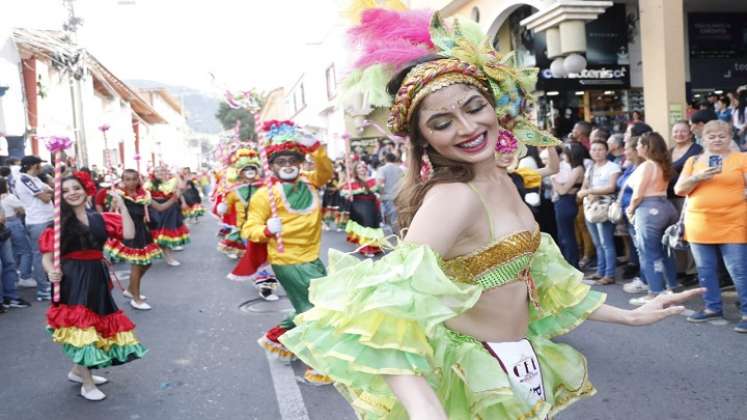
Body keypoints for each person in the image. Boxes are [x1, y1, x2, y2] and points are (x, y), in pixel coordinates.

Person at [278, 10, 701, 419]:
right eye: (442, 122)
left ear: (495, 106)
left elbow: (546, 279)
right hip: (469, 377)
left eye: (473, 107)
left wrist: (630, 315)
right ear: (424, 140)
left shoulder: (502, 179)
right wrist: (426, 410)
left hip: (517, 361)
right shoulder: (453, 197)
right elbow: (381, 308)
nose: (466, 127)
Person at [241, 119, 333, 384]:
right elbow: (249, 229)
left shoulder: (311, 183)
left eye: (293, 160)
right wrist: (266, 230)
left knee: (312, 306)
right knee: (316, 310)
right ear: (272, 166)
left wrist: (316, 147)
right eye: (281, 162)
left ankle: (277, 338)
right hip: (288, 260)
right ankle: (319, 364)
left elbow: (326, 170)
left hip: (312, 257)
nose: (288, 165)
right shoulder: (264, 195)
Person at [42, 174, 146, 401]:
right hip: (72, 277)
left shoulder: (99, 218)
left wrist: (122, 205)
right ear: (61, 195)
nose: (72, 192)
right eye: (67, 190)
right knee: (82, 329)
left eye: (76, 187)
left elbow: (129, 234)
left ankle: (78, 371)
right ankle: (87, 384)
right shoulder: (58, 224)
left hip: (96, 276)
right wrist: (51, 271)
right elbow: (47, 257)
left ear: (85, 189)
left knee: (94, 326)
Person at [675, 120, 747, 332]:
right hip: (699, 222)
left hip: (733, 220)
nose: (717, 139)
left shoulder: (741, 158)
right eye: (712, 136)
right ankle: (712, 307)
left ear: (730, 137)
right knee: (705, 270)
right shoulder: (694, 160)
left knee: (739, 270)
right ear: (703, 139)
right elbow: (679, 189)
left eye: (722, 136)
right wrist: (698, 177)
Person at [625, 132, 679, 305]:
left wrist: (631, 209)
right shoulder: (662, 164)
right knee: (665, 251)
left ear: (647, 147)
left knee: (648, 252)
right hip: (666, 206)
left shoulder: (648, 165)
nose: (637, 147)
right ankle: (671, 287)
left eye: (640, 144)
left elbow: (638, 192)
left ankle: (655, 292)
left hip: (649, 208)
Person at [223, 149, 279, 301]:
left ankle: (263, 282)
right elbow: (226, 208)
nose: (249, 171)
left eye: (252, 168)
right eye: (246, 169)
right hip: (247, 230)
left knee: (268, 257)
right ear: (240, 172)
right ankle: (265, 287)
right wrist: (222, 207)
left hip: (266, 227)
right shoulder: (234, 191)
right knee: (260, 258)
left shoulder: (265, 187)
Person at [103, 169, 163, 311]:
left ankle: (130, 290)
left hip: (143, 233)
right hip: (130, 234)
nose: (131, 182)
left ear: (138, 179)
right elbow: (112, 213)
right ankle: (136, 299)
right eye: (127, 179)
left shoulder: (144, 195)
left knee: (146, 264)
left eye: (134, 179)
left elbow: (159, 207)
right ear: (122, 180)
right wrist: (114, 203)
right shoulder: (119, 195)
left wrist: (175, 198)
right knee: (136, 266)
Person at [578, 140, 621, 285]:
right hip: (590, 206)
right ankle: (600, 272)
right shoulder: (590, 167)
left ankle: (609, 274)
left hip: (604, 207)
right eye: (594, 149)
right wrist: (586, 192)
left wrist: (589, 191)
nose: (597, 152)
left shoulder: (613, 167)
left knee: (606, 242)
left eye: (600, 149)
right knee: (597, 242)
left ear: (606, 151)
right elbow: (584, 186)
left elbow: (611, 187)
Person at [15, 155, 54, 301]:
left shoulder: (36, 179)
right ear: (33, 165)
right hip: (38, 221)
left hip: (47, 219)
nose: (42, 167)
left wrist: (48, 192)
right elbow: (46, 197)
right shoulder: (24, 179)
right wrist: (48, 193)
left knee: (51, 253)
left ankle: (49, 283)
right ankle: (43, 289)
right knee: (40, 255)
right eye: (39, 164)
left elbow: (52, 191)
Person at [618, 136, 648, 294]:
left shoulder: (643, 167)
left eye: (627, 148)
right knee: (637, 248)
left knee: (642, 248)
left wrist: (631, 208)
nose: (624, 152)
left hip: (636, 210)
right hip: (628, 211)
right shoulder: (631, 166)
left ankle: (646, 279)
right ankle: (643, 277)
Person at [550, 143, 586, 267]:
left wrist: (553, 179)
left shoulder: (578, 169)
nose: (563, 156)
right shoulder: (573, 168)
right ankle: (567, 262)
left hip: (567, 202)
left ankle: (572, 264)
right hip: (564, 202)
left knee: (567, 236)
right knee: (563, 234)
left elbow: (563, 190)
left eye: (565, 153)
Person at [145, 168, 189, 266]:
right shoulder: (149, 184)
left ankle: (169, 257)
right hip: (155, 210)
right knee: (154, 235)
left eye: (163, 171)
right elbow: (144, 196)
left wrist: (177, 175)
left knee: (165, 235)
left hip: (170, 210)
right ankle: (149, 255)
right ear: (154, 173)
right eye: (158, 171)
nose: (161, 173)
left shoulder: (172, 182)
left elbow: (181, 189)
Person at [0, 179, 31, 310]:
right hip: (4, 227)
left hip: (2, 230)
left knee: (9, 264)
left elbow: (2, 216)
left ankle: (10, 297)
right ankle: (3, 299)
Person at [344, 160, 385, 257]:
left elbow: (379, 190)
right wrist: (348, 194)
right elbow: (345, 194)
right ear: (355, 170)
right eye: (359, 167)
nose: (361, 169)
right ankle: (366, 248)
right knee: (365, 226)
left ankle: (374, 246)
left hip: (372, 205)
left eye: (363, 167)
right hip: (359, 206)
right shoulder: (352, 182)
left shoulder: (372, 180)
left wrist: (380, 188)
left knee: (373, 225)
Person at [668, 120, 703, 210]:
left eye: (683, 131)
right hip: (668, 197)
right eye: (676, 131)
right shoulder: (669, 151)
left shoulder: (697, 150)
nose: (679, 134)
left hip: (686, 197)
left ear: (690, 134)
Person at [377, 152, 404, 234]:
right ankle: (398, 233)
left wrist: (380, 193)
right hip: (398, 195)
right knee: (396, 216)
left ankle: (394, 234)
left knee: (389, 216)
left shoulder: (382, 169)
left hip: (386, 195)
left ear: (385, 159)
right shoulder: (399, 169)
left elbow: (380, 183)